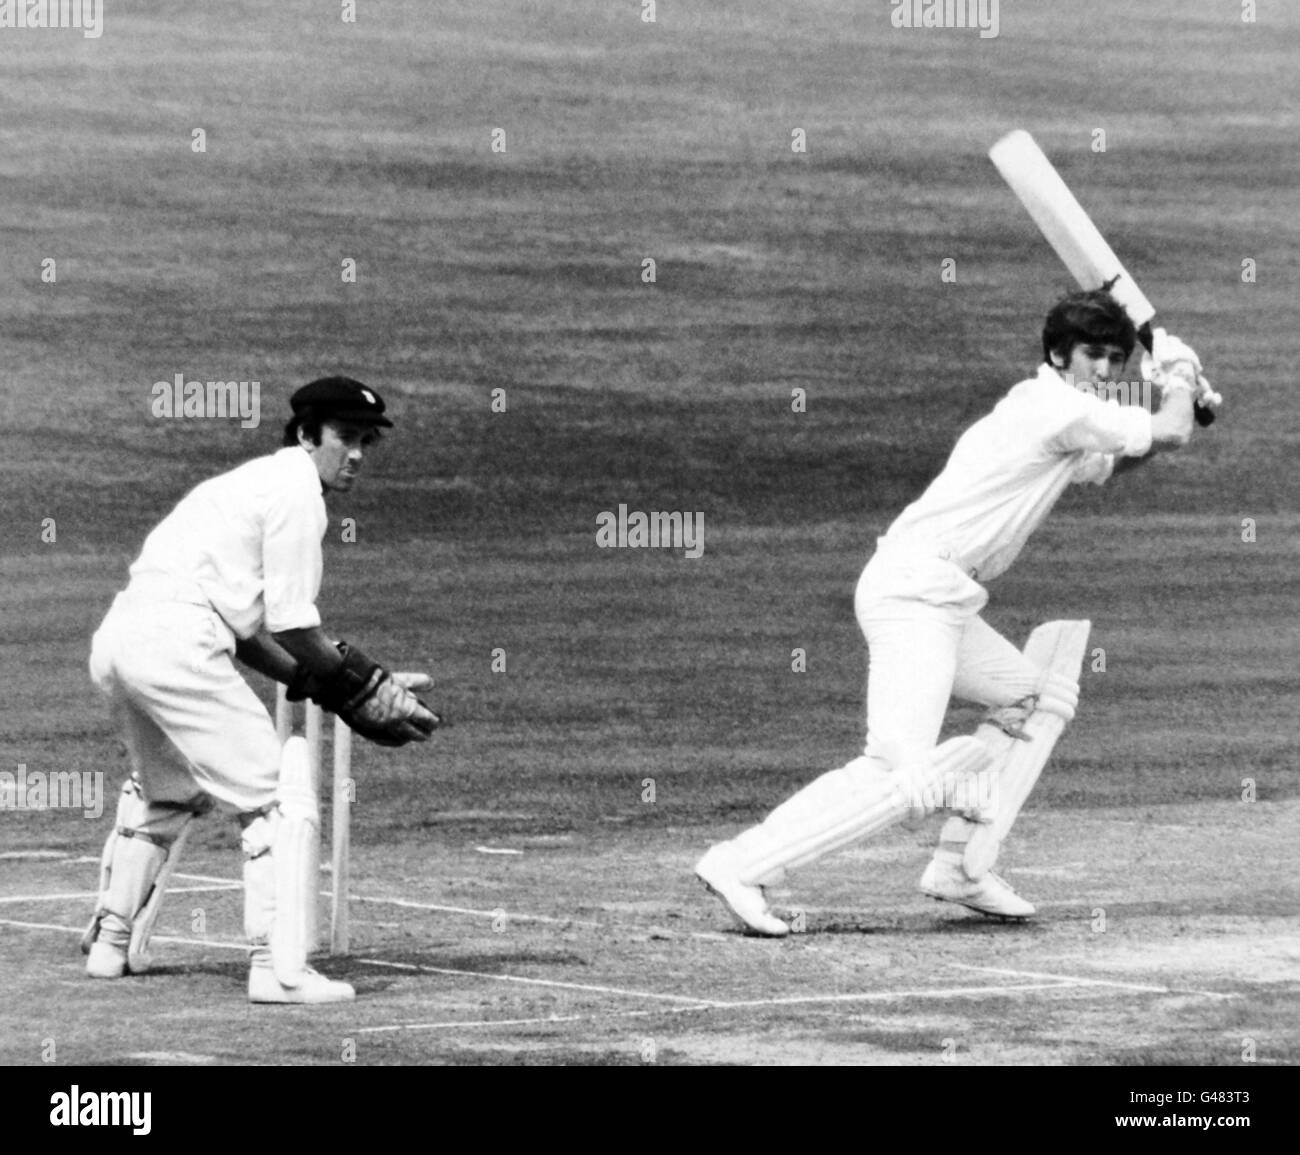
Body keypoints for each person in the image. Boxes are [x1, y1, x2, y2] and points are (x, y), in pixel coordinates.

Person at [696, 290, 1217, 935]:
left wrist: (1183, 404)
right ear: (1058, 353)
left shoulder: (1065, 413)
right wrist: (1180, 380)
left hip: (944, 597)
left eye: (1115, 359)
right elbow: (1166, 430)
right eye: (1093, 356)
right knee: (897, 769)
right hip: (914, 592)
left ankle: (961, 865)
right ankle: (742, 864)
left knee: (1036, 700)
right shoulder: (1052, 407)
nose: (1106, 372)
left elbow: (1134, 454)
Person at [82, 376, 439, 1001]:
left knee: (167, 791)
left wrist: (324, 686)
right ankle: (278, 971)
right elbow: (294, 625)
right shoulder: (300, 494)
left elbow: (250, 633)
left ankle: (110, 946)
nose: (355, 456)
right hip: (178, 646)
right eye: (344, 439)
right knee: (276, 802)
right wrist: (362, 683)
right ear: (306, 435)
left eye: (364, 444)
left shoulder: (245, 484)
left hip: (119, 641)